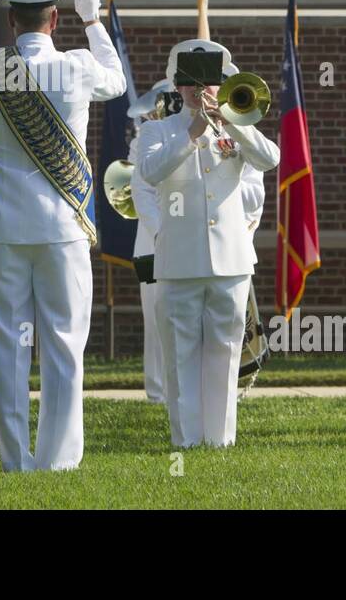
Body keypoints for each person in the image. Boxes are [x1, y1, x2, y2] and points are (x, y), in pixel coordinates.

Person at [0, 0, 125, 472]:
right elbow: (117, 80)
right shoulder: (80, 66)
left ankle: (14, 460)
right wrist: (94, 20)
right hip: (61, 226)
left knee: (6, 345)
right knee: (65, 343)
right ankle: (58, 460)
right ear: (54, 21)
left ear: (12, 22)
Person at [136, 43, 279, 447]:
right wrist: (190, 134)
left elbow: (270, 159)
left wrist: (232, 124)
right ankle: (186, 440)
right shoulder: (158, 130)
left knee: (225, 350)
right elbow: (149, 172)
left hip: (230, 260)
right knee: (180, 355)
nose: (201, 91)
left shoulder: (236, 124)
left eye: (211, 81)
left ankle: (220, 440)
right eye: (191, 82)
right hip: (178, 259)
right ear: (177, 86)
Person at [126, 79, 175, 404]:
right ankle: (158, 392)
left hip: (183, 238)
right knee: (155, 318)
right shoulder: (145, 138)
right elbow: (140, 187)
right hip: (151, 243)